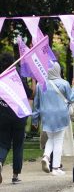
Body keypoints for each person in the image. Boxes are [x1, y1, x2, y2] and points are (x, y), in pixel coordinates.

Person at [32, 62, 74, 176]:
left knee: (51, 139)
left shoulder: (40, 85)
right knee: (58, 141)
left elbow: (36, 105)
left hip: (46, 116)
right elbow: (72, 98)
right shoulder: (64, 83)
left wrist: (34, 120)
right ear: (57, 70)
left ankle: (46, 157)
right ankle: (56, 168)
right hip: (61, 116)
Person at [0, 53, 32, 184]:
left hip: (2, 112)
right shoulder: (19, 73)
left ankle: (0, 161)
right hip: (18, 114)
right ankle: (15, 175)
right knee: (18, 144)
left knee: (2, 143)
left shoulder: (1, 75)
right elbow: (28, 93)